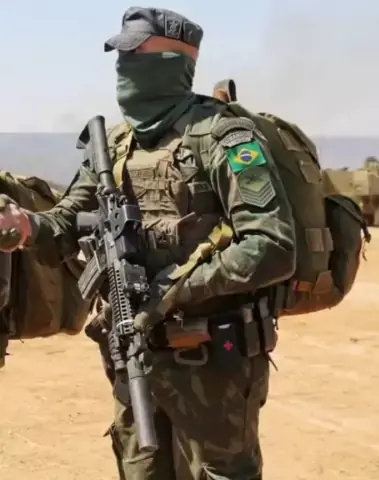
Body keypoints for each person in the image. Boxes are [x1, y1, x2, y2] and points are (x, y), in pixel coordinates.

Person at [0, 6, 296, 479]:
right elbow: (66, 221)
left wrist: (171, 291)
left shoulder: (225, 138)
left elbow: (273, 244)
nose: (123, 68)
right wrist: (26, 226)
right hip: (133, 355)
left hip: (211, 363)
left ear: (173, 62)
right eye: (120, 57)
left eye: (135, 56)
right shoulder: (115, 146)